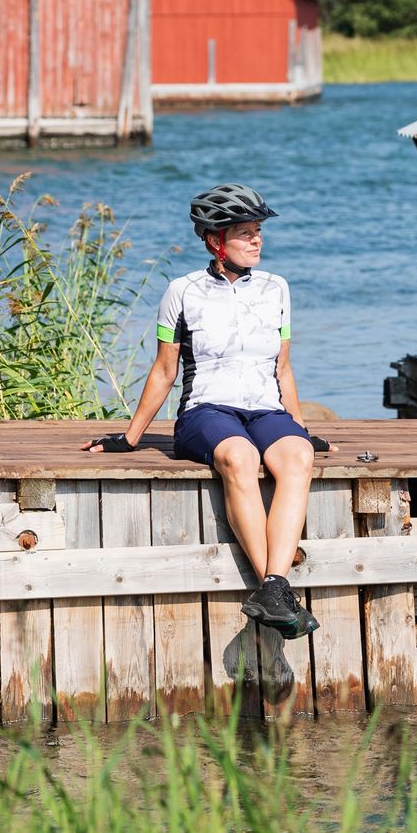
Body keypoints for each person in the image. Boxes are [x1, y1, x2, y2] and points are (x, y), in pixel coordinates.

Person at [84, 183, 326, 639]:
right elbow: (163, 369)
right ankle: (275, 586)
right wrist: (130, 436)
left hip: (265, 409)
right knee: (241, 458)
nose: (257, 240)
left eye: (259, 232)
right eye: (245, 233)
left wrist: (300, 427)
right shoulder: (183, 291)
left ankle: (272, 589)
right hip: (205, 411)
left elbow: (284, 366)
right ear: (216, 241)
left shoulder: (277, 288)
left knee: (297, 457)